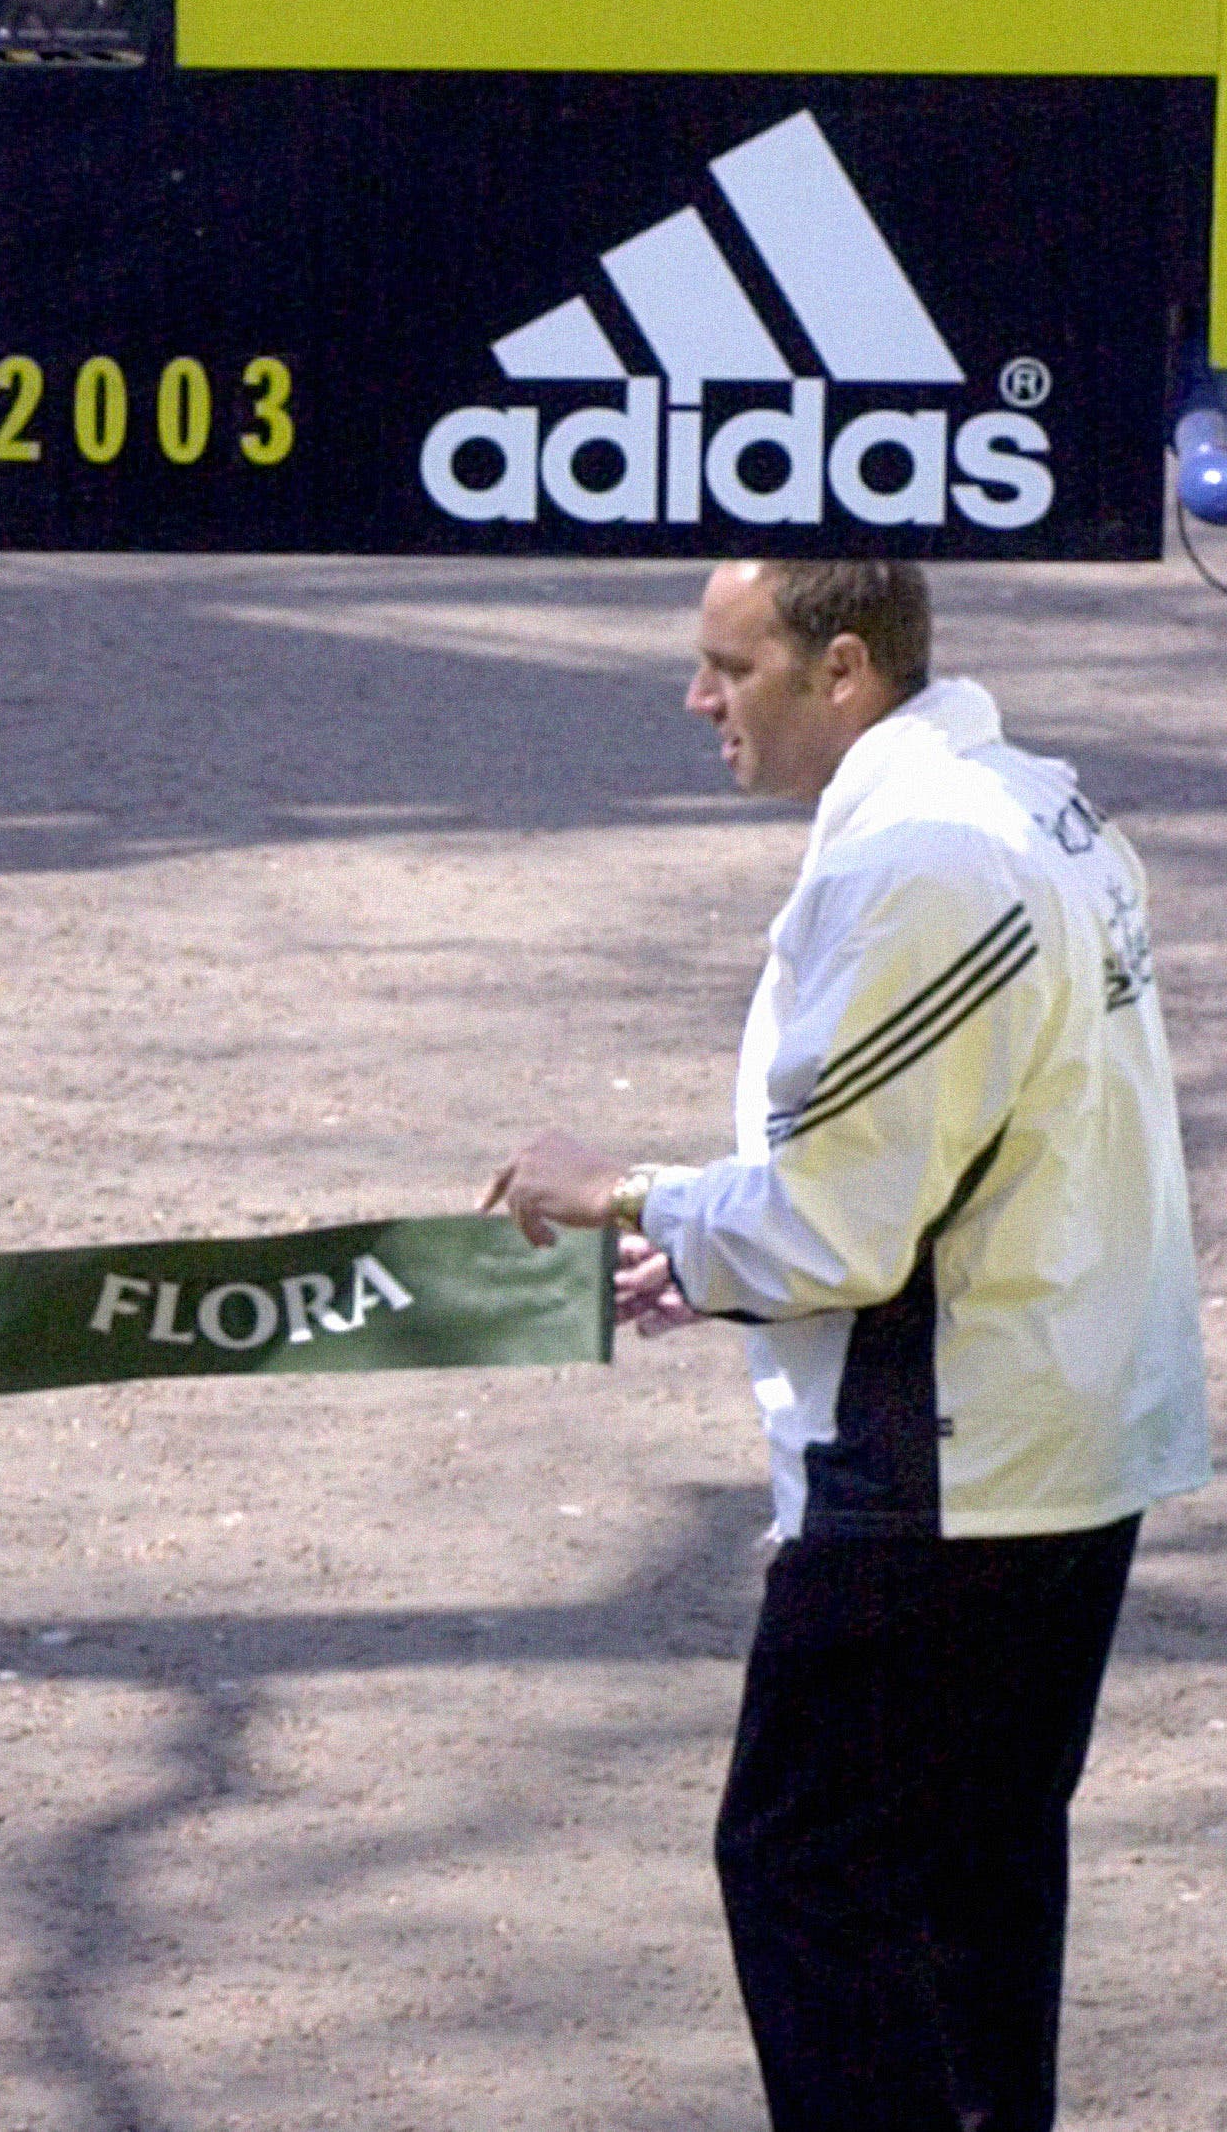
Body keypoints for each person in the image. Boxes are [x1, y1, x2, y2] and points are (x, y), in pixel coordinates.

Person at [485, 559, 1207, 2132]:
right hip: (1055, 1447)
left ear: (845, 667)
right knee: (978, 1875)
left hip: (945, 1479)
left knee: (808, 1870)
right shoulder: (1028, 808)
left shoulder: (922, 863)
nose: (698, 700)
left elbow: (841, 1224)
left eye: (728, 666)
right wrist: (716, 1258)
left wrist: (624, 1190)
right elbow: (954, 1162)